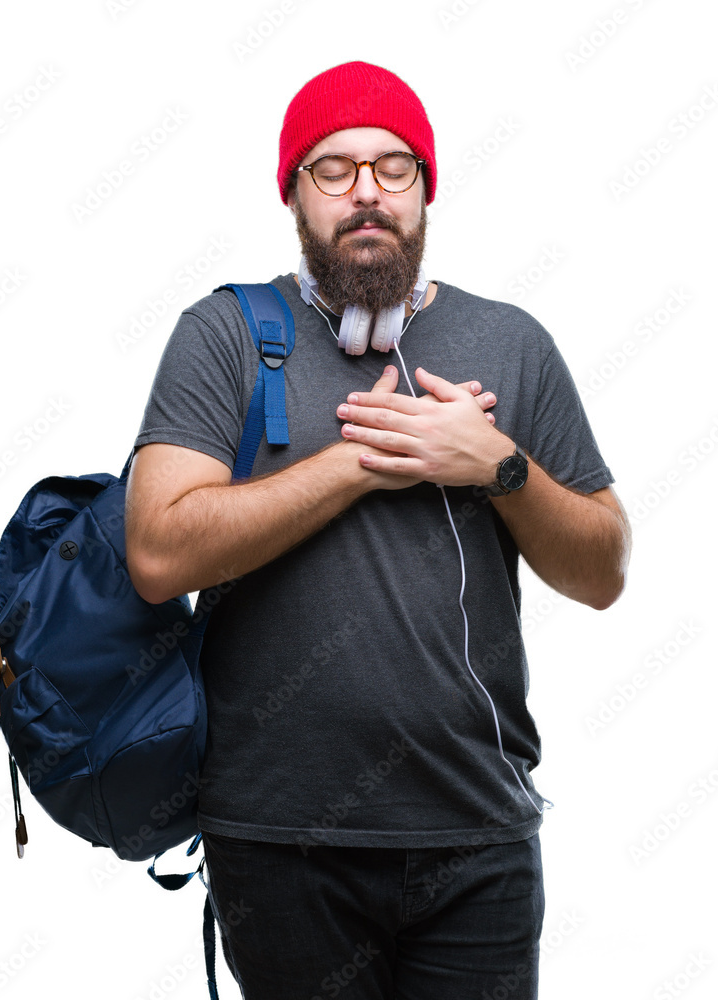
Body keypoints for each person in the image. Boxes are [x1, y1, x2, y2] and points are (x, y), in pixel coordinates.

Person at [125, 61, 631, 1000]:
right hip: (278, 845)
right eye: (333, 169)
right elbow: (157, 554)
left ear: (426, 189)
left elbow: (602, 569)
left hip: (476, 835)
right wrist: (367, 457)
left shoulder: (512, 344)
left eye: (393, 167)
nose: (366, 191)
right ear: (293, 194)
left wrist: (496, 467)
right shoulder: (225, 335)